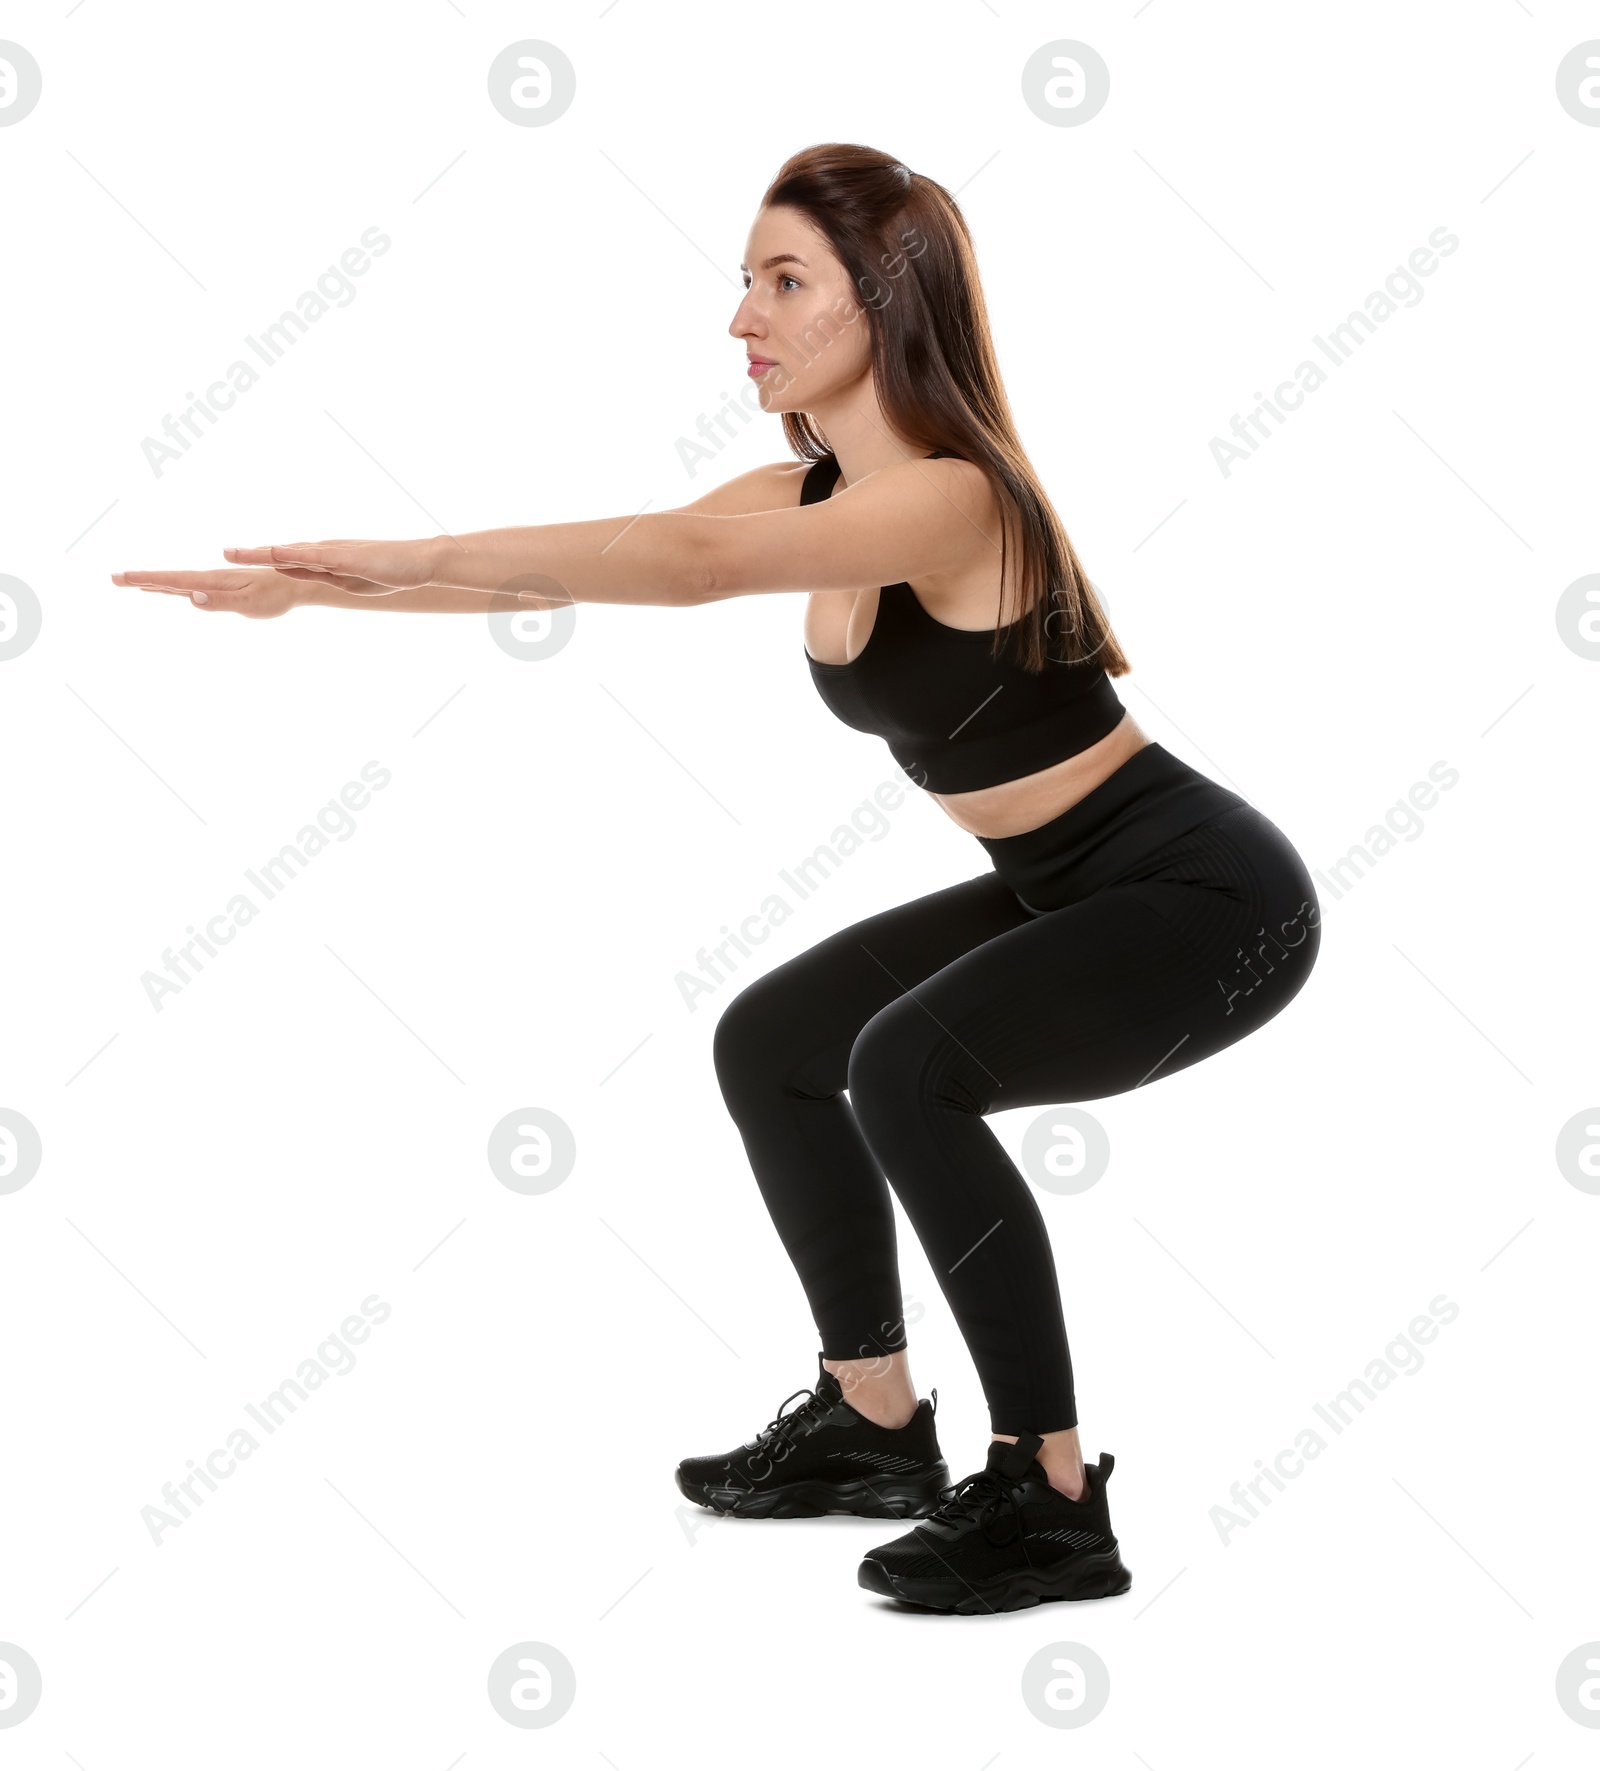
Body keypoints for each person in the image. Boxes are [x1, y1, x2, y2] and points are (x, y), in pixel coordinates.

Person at [111, 142, 1322, 1616]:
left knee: (908, 1068)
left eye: (783, 280)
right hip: (1067, 881)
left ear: (886, 301)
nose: (741, 317)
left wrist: (402, 548)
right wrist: (320, 587)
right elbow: (595, 561)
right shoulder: (814, 487)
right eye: (744, 281)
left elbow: (686, 564)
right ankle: (873, 1422)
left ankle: (1049, 1496)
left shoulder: (952, 501)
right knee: (775, 1042)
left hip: (1205, 898)